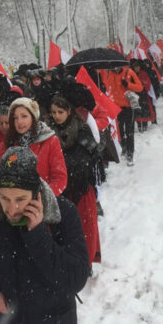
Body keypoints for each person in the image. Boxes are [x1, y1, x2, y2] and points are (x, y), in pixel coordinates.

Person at [0, 146, 91, 323]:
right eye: (4, 198)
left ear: (35, 193)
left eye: (20, 199)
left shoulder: (63, 212)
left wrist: (38, 234)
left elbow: (76, 279)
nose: (12, 209)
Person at [47, 97, 102, 265]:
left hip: (80, 187)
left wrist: (62, 164)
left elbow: (86, 159)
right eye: (54, 112)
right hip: (59, 189)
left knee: (85, 228)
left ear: (69, 111)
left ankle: (85, 262)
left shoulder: (82, 130)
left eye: (60, 112)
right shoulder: (48, 132)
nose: (57, 116)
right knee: (64, 229)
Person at [6, 97, 67, 196]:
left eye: (24, 116)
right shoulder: (11, 142)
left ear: (33, 117)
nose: (19, 122)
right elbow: (5, 177)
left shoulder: (50, 141)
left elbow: (60, 179)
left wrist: (42, 197)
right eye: (15, 118)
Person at [103, 65, 142, 165]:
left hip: (129, 107)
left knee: (129, 131)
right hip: (116, 108)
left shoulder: (129, 72)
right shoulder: (109, 74)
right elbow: (108, 88)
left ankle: (130, 154)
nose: (115, 67)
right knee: (119, 132)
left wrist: (128, 84)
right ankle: (124, 146)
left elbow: (140, 87)